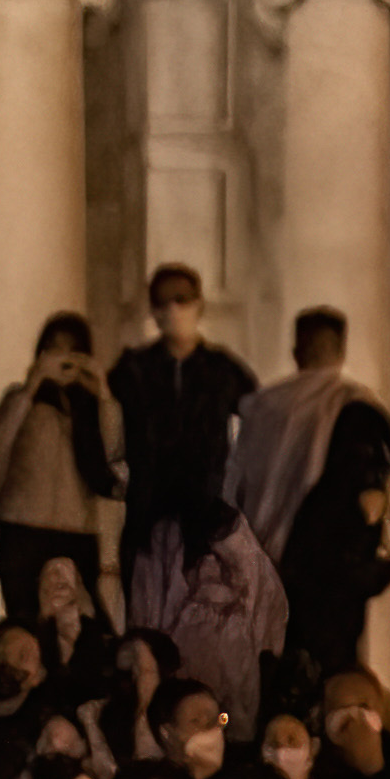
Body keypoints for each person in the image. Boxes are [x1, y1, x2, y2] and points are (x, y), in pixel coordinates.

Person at [227, 308, 390, 703]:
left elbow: (236, 485)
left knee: (270, 677)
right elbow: (386, 497)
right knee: (330, 679)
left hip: (261, 564)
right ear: (342, 350)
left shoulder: (261, 408)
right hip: (328, 576)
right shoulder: (356, 407)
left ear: (296, 350)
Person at [109, 264, 258, 617]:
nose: (173, 310)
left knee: (204, 612)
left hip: (205, 513)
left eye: (182, 299)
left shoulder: (223, 370)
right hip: (146, 512)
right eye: (163, 302)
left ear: (199, 305)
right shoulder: (133, 370)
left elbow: (259, 426)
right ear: (153, 310)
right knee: (146, 612)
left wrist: (240, 492)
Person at [0, 315, 119, 629]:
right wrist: (32, 385)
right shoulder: (21, 398)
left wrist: (102, 392)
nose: (62, 359)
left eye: (72, 351)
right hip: (22, 524)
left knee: (88, 617)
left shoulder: (90, 405)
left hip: (77, 526)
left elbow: (115, 449)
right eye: (53, 349)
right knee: (23, 615)